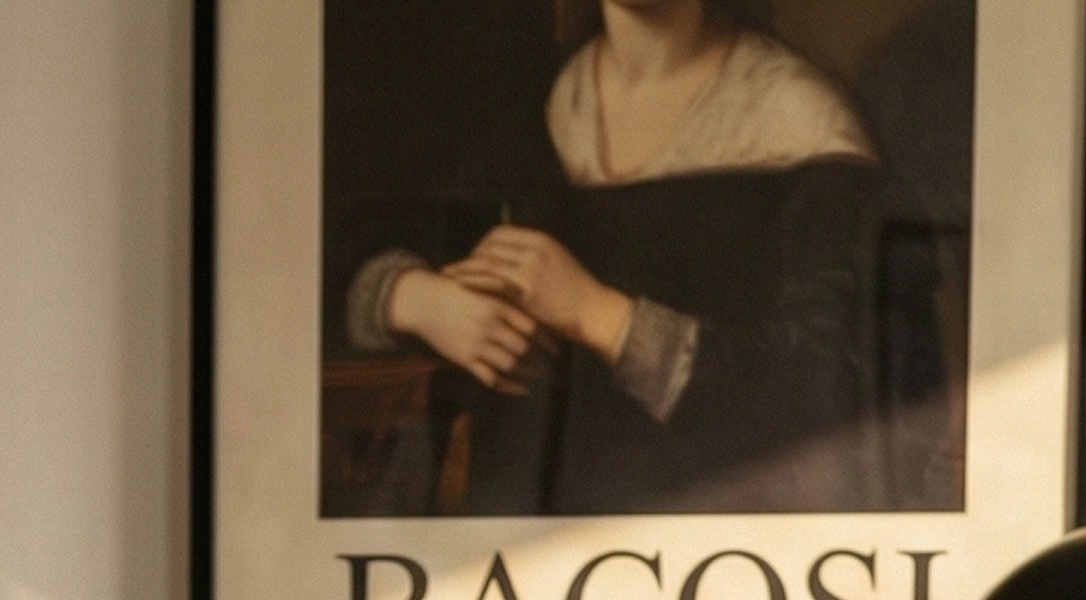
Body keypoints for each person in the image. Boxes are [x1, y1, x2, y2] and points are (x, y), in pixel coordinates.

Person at [336, 0, 902, 514]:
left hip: (713, 543)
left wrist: (600, 315)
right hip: (518, 547)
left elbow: (825, 403)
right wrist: (417, 300)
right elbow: (320, 269)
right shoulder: (530, 106)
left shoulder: (802, 125)